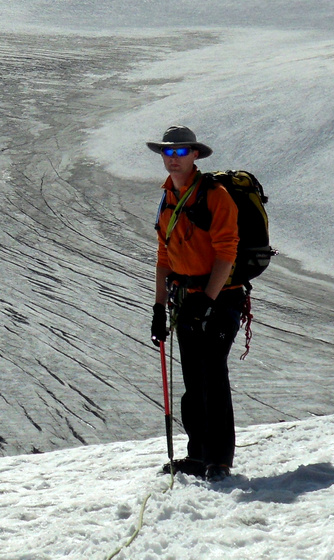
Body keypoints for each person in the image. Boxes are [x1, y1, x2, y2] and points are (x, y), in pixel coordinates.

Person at [146, 125, 244, 481]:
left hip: (220, 299)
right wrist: (159, 309)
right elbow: (163, 255)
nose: (173, 159)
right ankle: (198, 455)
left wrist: (209, 300)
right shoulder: (167, 197)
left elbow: (227, 252)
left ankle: (219, 459)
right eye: (167, 153)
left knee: (212, 375)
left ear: (195, 155)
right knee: (193, 377)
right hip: (185, 299)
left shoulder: (215, 196)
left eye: (180, 152)